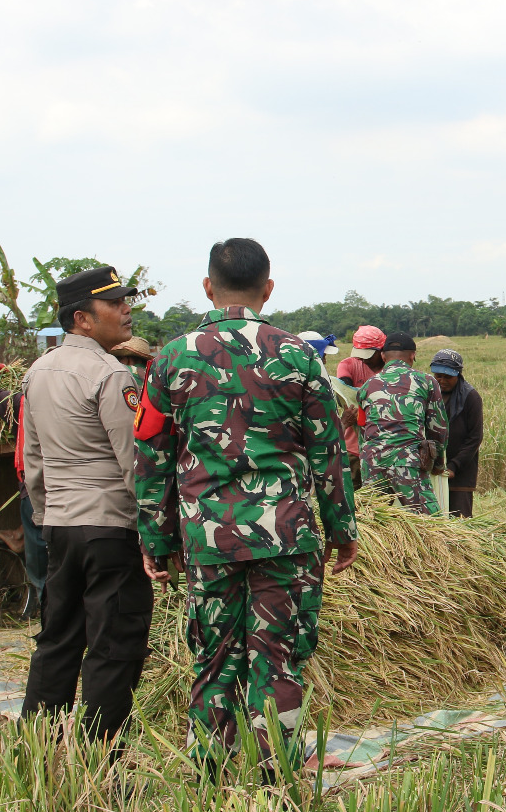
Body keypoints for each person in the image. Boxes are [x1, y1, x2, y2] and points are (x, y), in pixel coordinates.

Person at [134, 238, 359, 777]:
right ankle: (276, 780)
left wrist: (155, 540)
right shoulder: (299, 355)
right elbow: (329, 452)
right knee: (278, 658)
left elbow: (151, 456)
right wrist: (341, 527)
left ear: (208, 287)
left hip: (208, 539)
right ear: (268, 288)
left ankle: (209, 780)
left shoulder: (171, 357)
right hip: (285, 536)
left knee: (213, 658)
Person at [19, 265, 151, 748]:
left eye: (125, 300)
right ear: (83, 319)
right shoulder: (110, 374)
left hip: (60, 524)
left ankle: (37, 754)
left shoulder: (38, 371)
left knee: (56, 640)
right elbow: (133, 464)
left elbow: (33, 461)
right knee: (113, 649)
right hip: (109, 529)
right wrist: (154, 533)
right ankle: (101, 764)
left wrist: (46, 516)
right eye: (114, 303)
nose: (126, 309)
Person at [0, 364, 47, 615]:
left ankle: (46, 606)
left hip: (34, 486)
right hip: (71, 486)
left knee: (40, 550)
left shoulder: (18, 401)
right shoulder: (77, 396)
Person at [358, 333, 448, 514]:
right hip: (408, 462)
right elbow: (438, 429)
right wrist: (437, 464)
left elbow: (362, 430)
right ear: (413, 355)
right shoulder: (427, 382)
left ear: (383, 356)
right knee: (431, 524)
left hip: (373, 461)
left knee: (371, 521)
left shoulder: (367, 386)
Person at [428, 349, 483, 518]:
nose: (442, 381)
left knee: (460, 520)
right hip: (432, 469)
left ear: (458, 374)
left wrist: (454, 465)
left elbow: (475, 437)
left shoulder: (470, 397)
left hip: (461, 471)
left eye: (448, 377)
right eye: (438, 376)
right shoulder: (428, 394)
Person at [336, 326, 386, 488]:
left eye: (369, 355)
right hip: (353, 449)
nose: (363, 360)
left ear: (381, 350)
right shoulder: (348, 365)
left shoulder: (389, 371)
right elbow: (345, 394)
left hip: (382, 449)